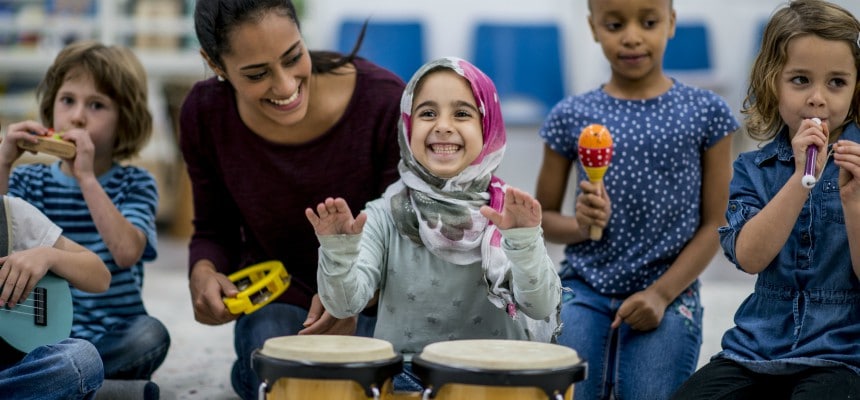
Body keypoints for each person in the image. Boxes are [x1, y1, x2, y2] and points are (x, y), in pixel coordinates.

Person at [180, 1, 404, 398]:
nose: (285, 87)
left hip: (377, 298)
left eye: (293, 56)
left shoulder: (384, 101)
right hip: (280, 299)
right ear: (215, 64)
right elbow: (214, 229)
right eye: (256, 74)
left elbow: (408, 242)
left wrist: (351, 298)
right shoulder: (205, 112)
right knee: (280, 372)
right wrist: (203, 271)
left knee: (388, 377)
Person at [306, 56, 562, 392]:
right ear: (408, 126)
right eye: (427, 113)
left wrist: (524, 241)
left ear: (488, 127)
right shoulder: (383, 214)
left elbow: (540, 305)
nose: (443, 125)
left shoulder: (511, 215)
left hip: (499, 375)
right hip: (406, 374)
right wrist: (338, 252)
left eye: (462, 114)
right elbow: (345, 304)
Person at [533, 0, 741, 398]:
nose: (631, 37)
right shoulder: (569, 114)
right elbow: (543, 220)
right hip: (585, 285)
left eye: (648, 22)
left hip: (670, 288)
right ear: (593, 27)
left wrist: (661, 294)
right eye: (614, 25)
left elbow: (717, 222)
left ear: (671, 22)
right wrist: (581, 226)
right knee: (570, 391)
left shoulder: (707, 113)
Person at [671, 1, 860, 398]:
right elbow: (749, 258)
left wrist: (854, 204)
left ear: (856, 87)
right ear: (773, 83)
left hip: (842, 354)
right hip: (755, 350)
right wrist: (798, 181)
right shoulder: (752, 169)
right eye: (800, 80)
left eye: (837, 82)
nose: (818, 98)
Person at [0, 41, 169, 399]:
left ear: (125, 119)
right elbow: (2, 226)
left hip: (112, 334)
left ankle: (77, 379)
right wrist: (4, 162)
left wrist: (87, 179)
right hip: (36, 332)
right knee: (53, 357)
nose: (77, 117)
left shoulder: (136, 183)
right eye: (67, 100)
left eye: (96, 105)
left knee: (150, 335)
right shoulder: (30, 179)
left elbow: (126, 253)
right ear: (51, 106)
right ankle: (97, 385)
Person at [0, 191, 110, 400]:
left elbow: (101, 277)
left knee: (81, 359)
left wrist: (49, 255)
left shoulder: (9, 213)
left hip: (12, 370)